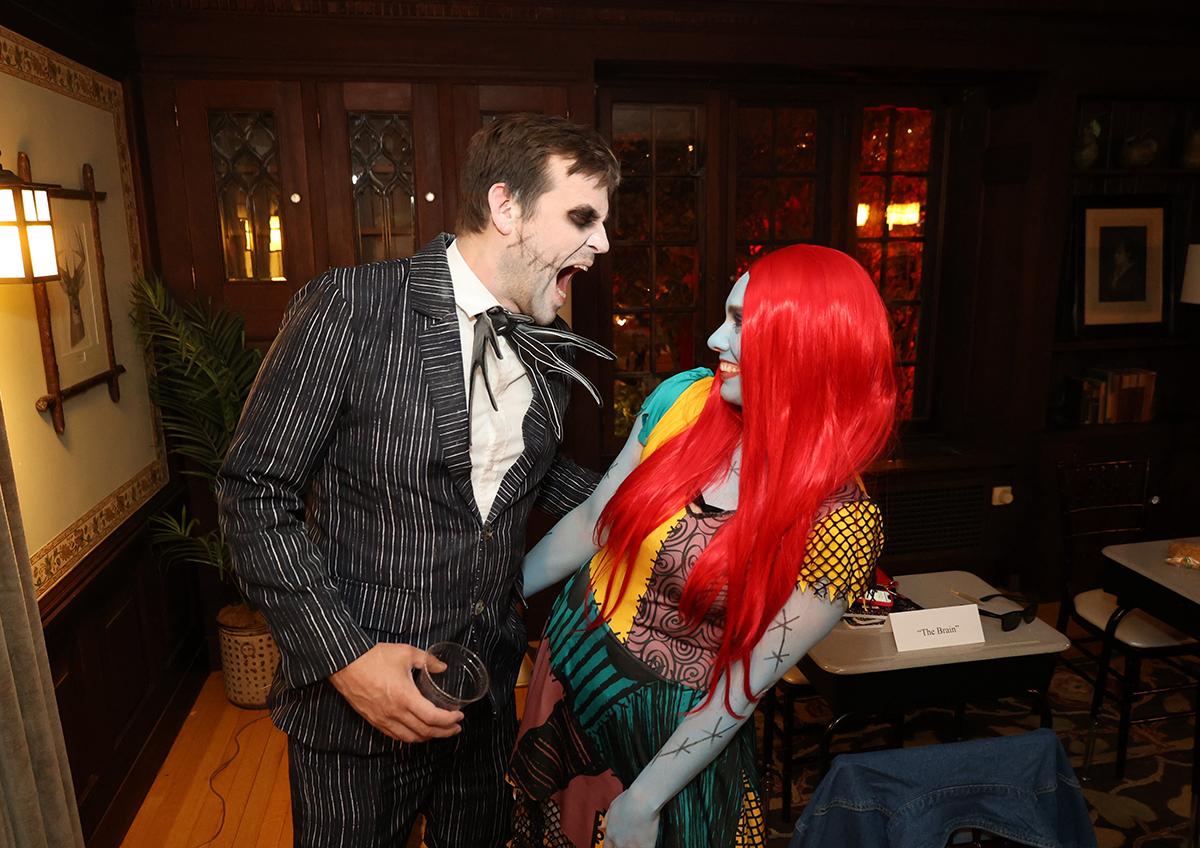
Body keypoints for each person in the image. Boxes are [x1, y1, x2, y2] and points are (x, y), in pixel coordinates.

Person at [216, 113, 619, 848]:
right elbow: (252, 492)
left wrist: (645, 497)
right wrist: (346, 660)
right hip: (356, 712)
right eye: (582, 218)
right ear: (506, 208)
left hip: (483, 701)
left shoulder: (550, 342)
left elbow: (517, 478)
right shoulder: (351, 307)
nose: (603, 243)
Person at [509, 244, 898, 848]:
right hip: (568, 671)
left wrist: (645, 799)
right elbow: (593, 522)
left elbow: (744, 682)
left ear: (808, 347)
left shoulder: (840, 522)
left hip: (670, 735)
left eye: (742, 322)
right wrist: (495, 597)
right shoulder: (684, 400)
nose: (716, 339)